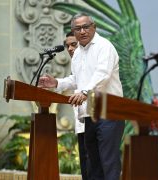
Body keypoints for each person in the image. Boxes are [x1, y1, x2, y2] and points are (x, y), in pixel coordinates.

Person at [38, 13, 124, 180]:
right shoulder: (78, 53)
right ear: (73, 31)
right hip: (89, 113)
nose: (82, 31)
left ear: (94, 27)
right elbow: (76, 79)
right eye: (78, 28)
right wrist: (56, 83)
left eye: (86, 27)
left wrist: (85, 92)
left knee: (108, 164)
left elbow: (102, 74)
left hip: (109, 113)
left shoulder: (104, 46)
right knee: (93, 166)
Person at [64, 31, 89, 180]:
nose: (70, 49)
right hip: (82, 126)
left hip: (95, 123)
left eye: (74, 44)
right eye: (67, 46)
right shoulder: (76, 65)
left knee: (95, 168)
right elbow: (72, 80)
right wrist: (55, 83)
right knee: (86, 169)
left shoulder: (93, 62)